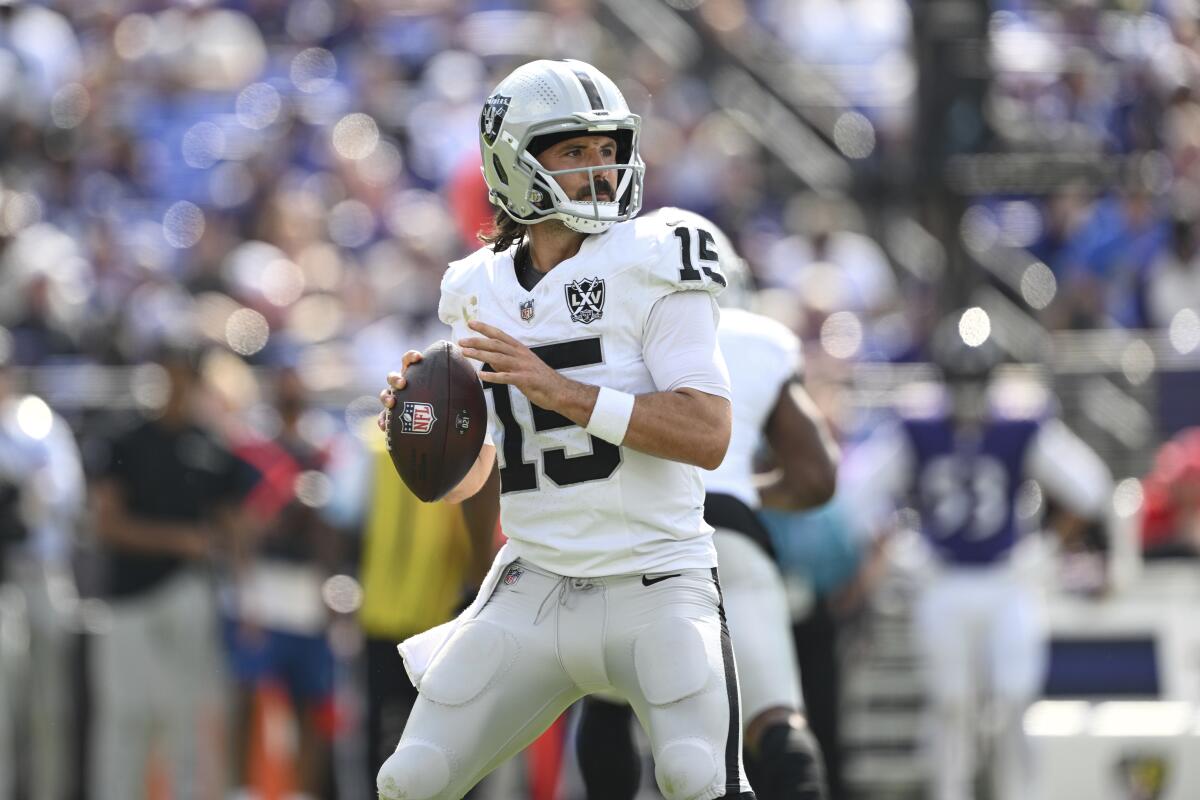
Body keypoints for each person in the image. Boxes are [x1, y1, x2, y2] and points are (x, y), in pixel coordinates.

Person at [375, 58, 752, 800]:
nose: (599, 168)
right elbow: (487, 472)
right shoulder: (473, 288)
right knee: (409, 778)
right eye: (572, 151)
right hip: (536, 585)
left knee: (695, 776)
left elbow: (708, 433)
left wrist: (564, 391)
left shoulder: (656, 256)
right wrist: (425, 435)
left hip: (657, 579)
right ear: (511, 161)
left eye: (606, 148)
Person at [573, 209, 839, 800]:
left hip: (633, 542)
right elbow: (818, 478)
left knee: (608, 703)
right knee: (776, 727)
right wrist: (742, 493)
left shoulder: (603, 335)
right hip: (730, 536)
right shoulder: (757, 338)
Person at [843, 308, 1113, 800]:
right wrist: (904, 548)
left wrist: (1046, 546)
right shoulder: (917, 424)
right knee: (951, 704)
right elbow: (857, 493)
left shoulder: (1021, 422)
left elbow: (1090, 488)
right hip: (944, 580)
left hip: (1007, 580)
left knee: (1014, 698)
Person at [89, 345, 256, 800]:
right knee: (128, 718)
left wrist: (246, 599)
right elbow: (105, 523)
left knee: (193, 723)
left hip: (190, 592)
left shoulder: (211, 445)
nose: (176, 388)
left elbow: (236, 524)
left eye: (185, 378)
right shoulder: (123, 439)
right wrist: (179, 540)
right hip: (129, 598)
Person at [223, 367, 339, 799]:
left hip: (308, 585)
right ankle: (243, 788)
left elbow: (334, 530)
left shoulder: (324, 450)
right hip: (264, 584)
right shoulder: (252, 451)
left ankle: (301, 792)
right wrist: (244, 589)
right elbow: (239, 524)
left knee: (311, 697)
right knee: (249, 691)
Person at [0, 328, 85, 800]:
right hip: (1, 578)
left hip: (44, 573)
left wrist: (18, 491)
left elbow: (60, 498)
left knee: (50, 705)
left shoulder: (38, 422)